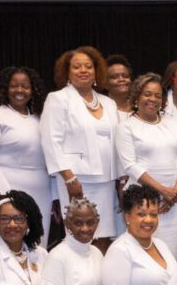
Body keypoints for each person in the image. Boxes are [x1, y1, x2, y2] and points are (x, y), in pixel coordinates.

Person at [41, 45, 122, 241]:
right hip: (77, 180)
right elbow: (51, 141)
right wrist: (69, 178)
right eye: (77, 67)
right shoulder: (58, 99)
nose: (83, 70)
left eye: (88, 66)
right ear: (67, 72)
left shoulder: (109, 103)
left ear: (96, 71)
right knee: (81, 234)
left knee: (104, 235)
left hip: (107, 179)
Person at [115, 73, 177, 254]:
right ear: (137, 96)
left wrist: (175, 192)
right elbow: (130, 166)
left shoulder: (173, 124)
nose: (153, 99)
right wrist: (163, 191)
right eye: (147, 94)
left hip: (173, 202)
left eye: (158, 95)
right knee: (142, 253)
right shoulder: (126, 127)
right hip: (142, 201)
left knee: (170, 252)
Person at [0, 65, 54, 215]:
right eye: (14, 86)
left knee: (39, 237)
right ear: (5, 89)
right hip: (9, 189)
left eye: (25, 86)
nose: (20, 90)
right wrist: (3, 196)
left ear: (33, 90)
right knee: (12, 234)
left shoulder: (41, 118)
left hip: (42, 191)